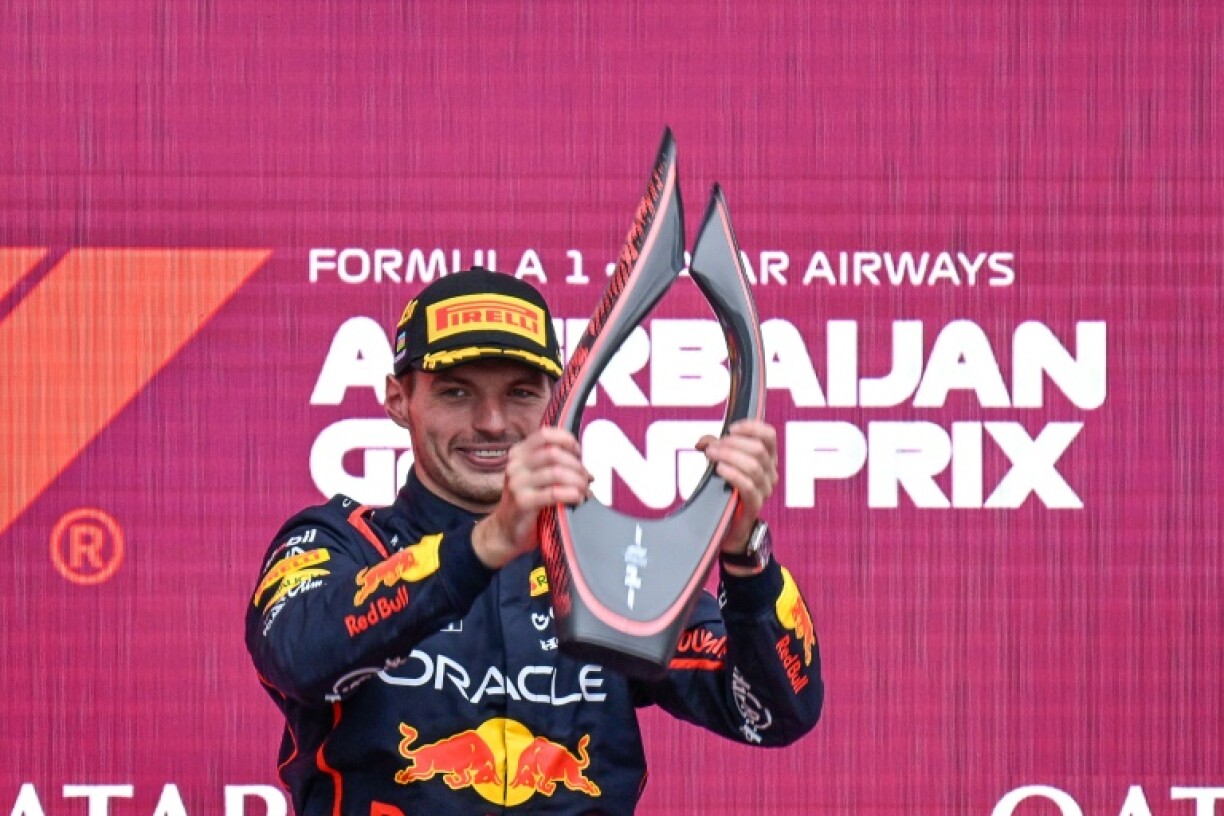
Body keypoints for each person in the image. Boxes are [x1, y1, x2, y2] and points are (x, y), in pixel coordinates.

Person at [246, 267, 823, 815]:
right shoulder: (339, 542)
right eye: (456, 393)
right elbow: (300, 656)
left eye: (522, 393)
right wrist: (484, 545)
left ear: (558, 399)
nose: (493, 422)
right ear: (399, 400)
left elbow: (773, 712)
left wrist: (745, 555)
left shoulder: (604, 567)